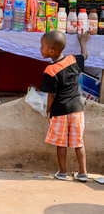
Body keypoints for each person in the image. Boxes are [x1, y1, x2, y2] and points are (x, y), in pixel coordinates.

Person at [39, 30, 89, 182]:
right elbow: (85, 56)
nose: (40, 49)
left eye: (42, 46)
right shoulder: (73, 59)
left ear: (52, 51)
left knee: (61, 143)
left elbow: (52, 95)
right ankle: (83, 173)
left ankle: (62, 172)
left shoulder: (50, 70)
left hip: (60, 111)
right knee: (78, 143)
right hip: (77, 109)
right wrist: (83, 42)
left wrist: (48, 110)